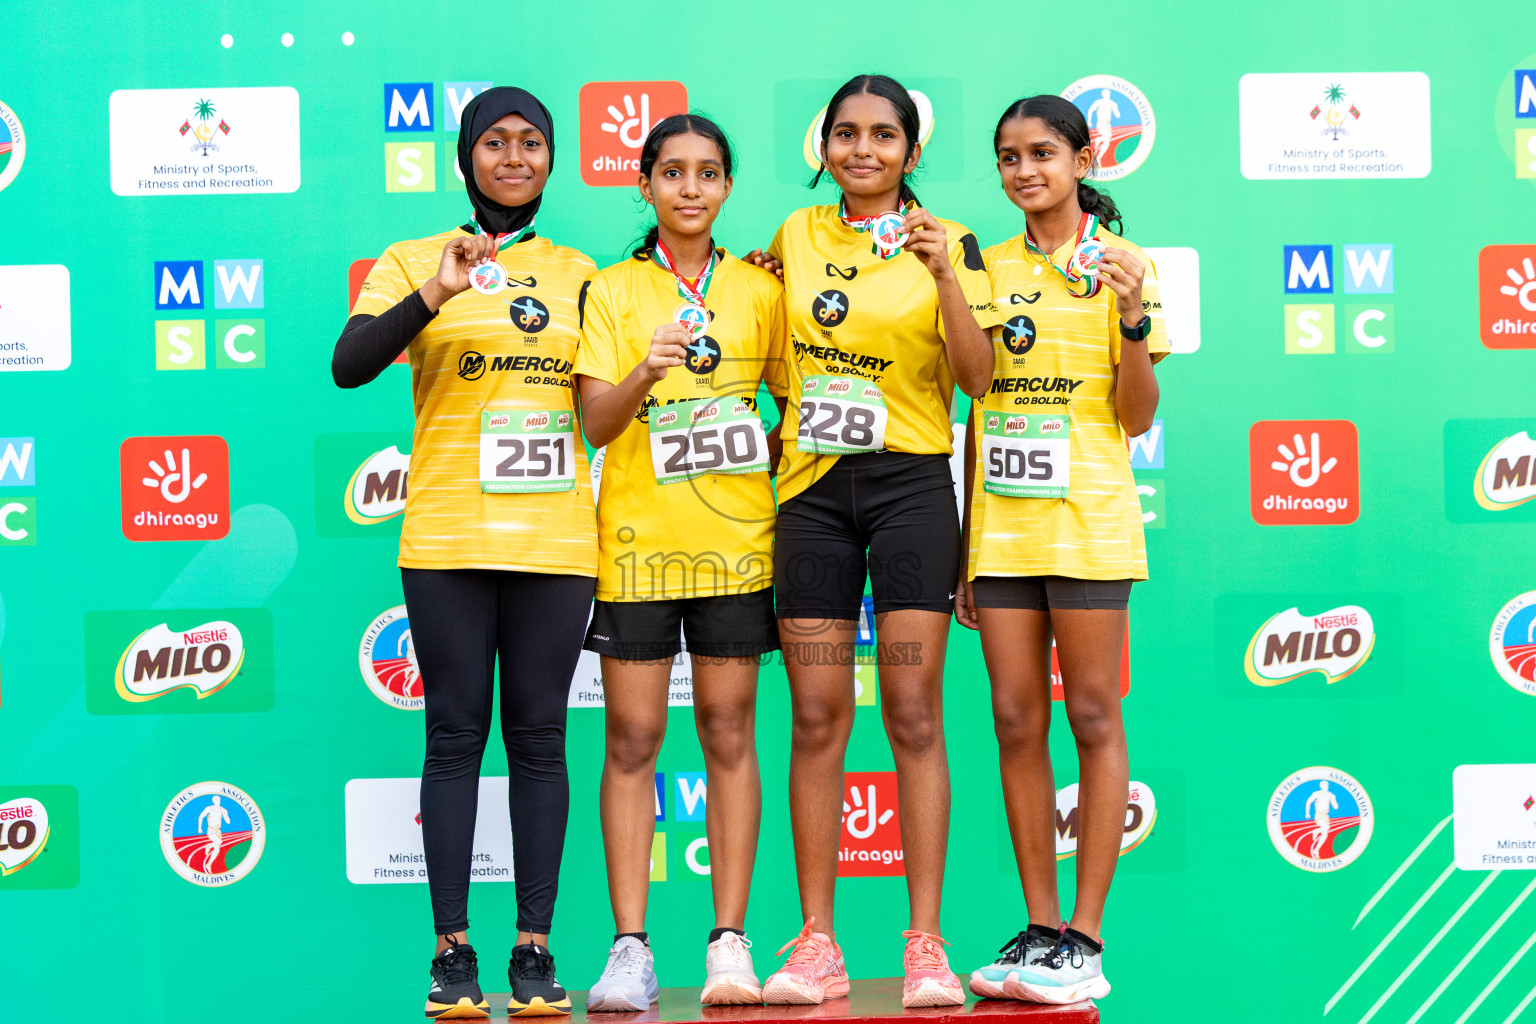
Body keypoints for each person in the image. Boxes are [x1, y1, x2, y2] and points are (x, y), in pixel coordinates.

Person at [333, 86, 597, 1020]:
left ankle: (534, 947)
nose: (514, 158)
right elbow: (350, 364)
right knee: (453, 736)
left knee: (540, 738)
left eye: (532, 143)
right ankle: (452, 953)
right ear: (465, 157)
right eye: (495, 142)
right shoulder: (415, 258)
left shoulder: (580, 273)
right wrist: (438, 289)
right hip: (448, 536)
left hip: (556, 543)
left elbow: (604, 403)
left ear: (551, 159)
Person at [751, 73, 998, 1009]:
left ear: (911, 150)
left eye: (883, 135)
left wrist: (944, 275)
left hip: (909, 492)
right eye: (846, 134)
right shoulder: (795, 234)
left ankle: (926, 943)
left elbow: (977, 379)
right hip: (812, 495)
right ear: (824, 148)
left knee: (913, 711)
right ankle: (817, 941)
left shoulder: (951, 240)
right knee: (817, 715)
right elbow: (771, 350)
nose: (863, 150)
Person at [573, 114, 789, 1011]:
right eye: (672, 172)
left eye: (707, 173)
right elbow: (595, 423)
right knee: (631, 740)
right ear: (645, 185)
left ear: (727, 186)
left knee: (729, 733)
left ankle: (729, 941)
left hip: (735, 548)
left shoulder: (761, 289)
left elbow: (796, 411)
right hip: (636, 549)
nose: (690, 188)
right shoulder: (611, 289)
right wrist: (645, 375)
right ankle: (630, 947)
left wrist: (747, 450)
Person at [958, 94, 1167, 1007]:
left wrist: (1131, 319)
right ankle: (1040, 929)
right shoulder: (986, 266)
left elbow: (1137, 416)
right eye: (1009, 156)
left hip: (1089, 523)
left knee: (1090, 714)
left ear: (1084, 160)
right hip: (1004, 530)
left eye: (1042, 153)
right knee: (1014, 720)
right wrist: (968, 552)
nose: (1024, 171)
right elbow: (977, 410)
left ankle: (1086, 936)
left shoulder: (1127, 263)